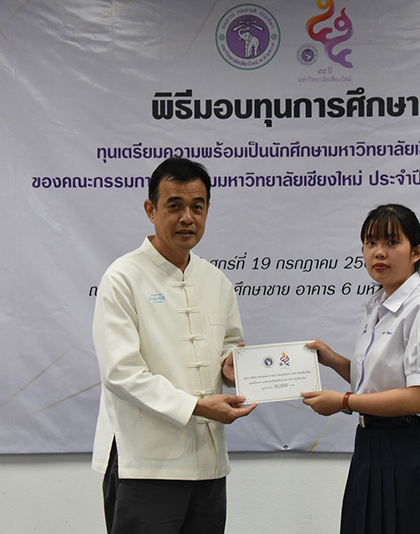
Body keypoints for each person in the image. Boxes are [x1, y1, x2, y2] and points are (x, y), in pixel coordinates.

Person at [91, 157, 256, 534]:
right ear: (150, 210)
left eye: (197, 207)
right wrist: (197, 407)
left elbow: (229, 347)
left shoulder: (217, 281)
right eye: (174, 206)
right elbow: (120, 373)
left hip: (208, 464)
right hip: (145, 465)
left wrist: (230, 366)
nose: (187, 218)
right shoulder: (122, 277)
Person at [301, 204, 420, 534]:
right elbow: (377, 382)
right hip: (370, 446)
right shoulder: (377, 306)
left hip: (411, 450)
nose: (379, 252)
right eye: (371, 242)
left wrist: (343, 401)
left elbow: (419, 398)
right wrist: (333, 360)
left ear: (416, 252)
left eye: (392, 242)